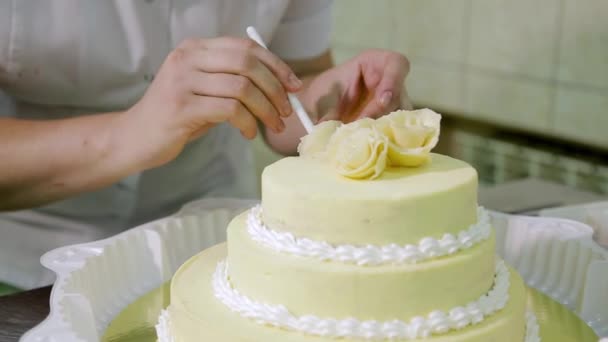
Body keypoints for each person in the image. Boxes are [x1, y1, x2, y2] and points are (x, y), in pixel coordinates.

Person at [0, 0, 411, 290]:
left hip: (212, 247)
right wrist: (127, 134)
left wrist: (333, 103)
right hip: (24, 260)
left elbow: (296, 78)